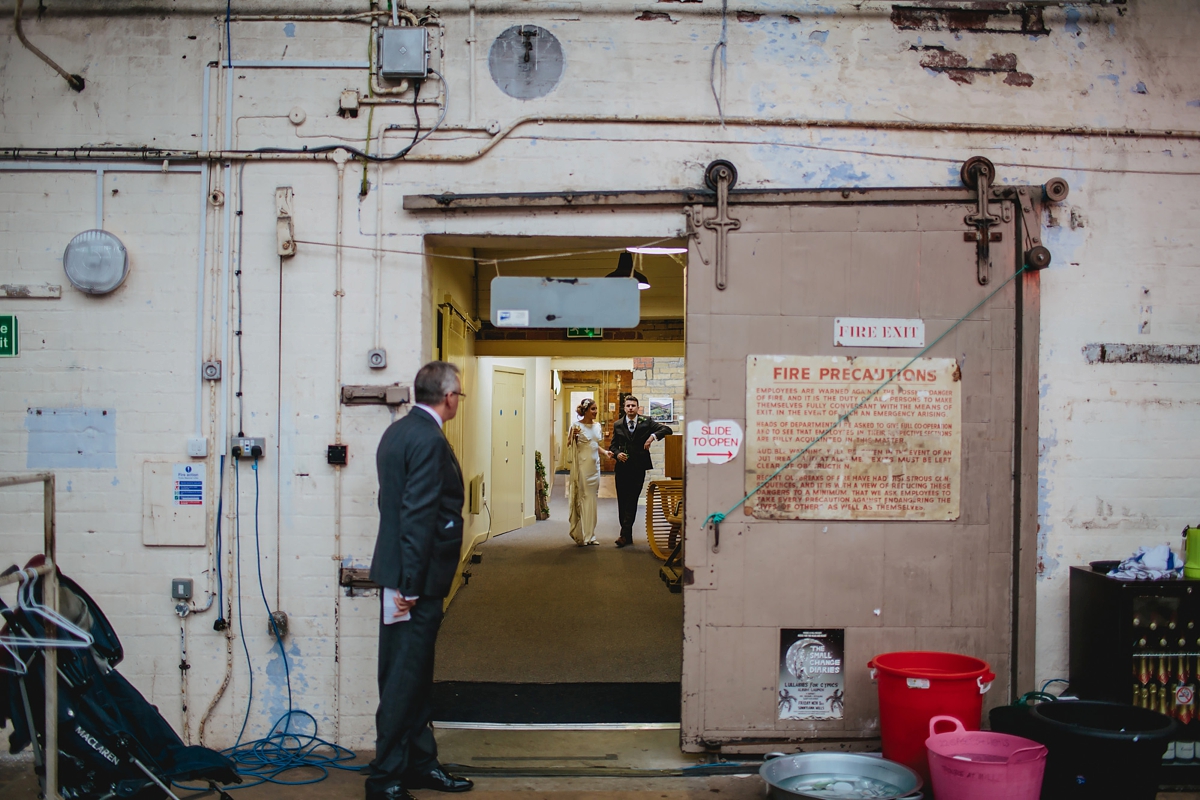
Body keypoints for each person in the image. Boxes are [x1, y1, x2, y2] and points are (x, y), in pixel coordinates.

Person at [366, 361, 473, 800]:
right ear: (448, 398)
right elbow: (417, 512)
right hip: (415, 582)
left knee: (413, 674)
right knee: (402, 681)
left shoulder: (398, 431)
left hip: (406, 574)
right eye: (459, 395)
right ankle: (386, 779)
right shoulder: (428, 438)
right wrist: (408, 584)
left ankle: (420, 764)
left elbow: (387, 500)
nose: (458, 402)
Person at [608, 394, 673, 548]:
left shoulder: (646, 422)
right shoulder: (618, 424)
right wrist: (617, 454)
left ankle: (623, 535)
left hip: (638, 467)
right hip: (622, 468)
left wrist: (652, 437)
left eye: (633, 405)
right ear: (624, 408)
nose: (630, 408)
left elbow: (667, 429)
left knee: (632, 499)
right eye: (628, 406)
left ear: (638, 408)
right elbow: (613, 446)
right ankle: (627, 535)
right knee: (622, 501)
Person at [565, 398, 613, 547]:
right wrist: (573, 438)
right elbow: (569, 445)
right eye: (593, 409)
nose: (595, 412)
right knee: (583, 498)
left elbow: (594, 445)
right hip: (582, 467)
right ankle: (583, 534)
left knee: (592, 499)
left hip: (595, 467)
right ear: (585, 411)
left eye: (596, 409)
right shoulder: (576, 426)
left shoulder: (597, 426)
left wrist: (605, 452)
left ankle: (591, 535)